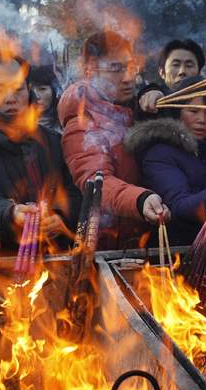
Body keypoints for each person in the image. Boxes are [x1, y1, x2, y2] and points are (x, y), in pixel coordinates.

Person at [0, 54, 80, 249]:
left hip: (57, 260)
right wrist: (10, 214)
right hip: (0, 265)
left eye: (17, 89)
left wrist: (59, 215)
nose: (10, 98)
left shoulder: (53, 141)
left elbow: (75, 193)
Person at [58, 30, 170, 249]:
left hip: (142, 242)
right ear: (90, 71)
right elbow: (96, 181)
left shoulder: (129, 110)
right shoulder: (82, 121)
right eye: (116, 69)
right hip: (104, 247)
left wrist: (154, 91)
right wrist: (139, 200)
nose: (129, 77)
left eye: (130, 67)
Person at [129, 76, 206, 244]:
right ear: (178, 111)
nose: (202, 120)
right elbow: (176, 203)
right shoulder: (159, 152)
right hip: (174, 250)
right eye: (193, 111)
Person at [138, 39, 206, 116]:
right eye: (176, 65)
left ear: (199, 72)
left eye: (189, 66)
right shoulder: (155, 101)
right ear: (162, 72)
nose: (182, 71)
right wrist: (151, 94)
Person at [30, 65, 63, 134]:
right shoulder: (18, 125)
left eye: (42, 89)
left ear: (56, 91)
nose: (36, 96)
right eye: (31, 89)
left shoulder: (66, 126)